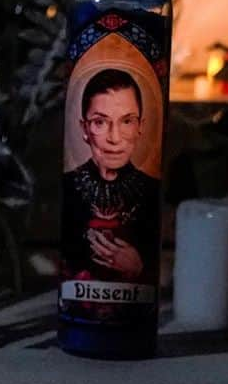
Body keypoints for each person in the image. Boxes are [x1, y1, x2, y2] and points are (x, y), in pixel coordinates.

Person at [61, 68, 159, 282]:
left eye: (127, 121)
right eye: (100, 122)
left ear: (140, 127)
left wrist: (137, 267)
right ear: (84, 129)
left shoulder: (153, 192)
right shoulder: (66, 188)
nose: (114, 138)